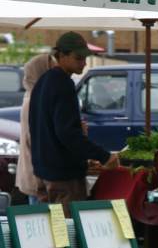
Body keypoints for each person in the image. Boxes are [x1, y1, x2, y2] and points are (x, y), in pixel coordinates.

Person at [29, 31, 118, 217]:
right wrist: (103, 156)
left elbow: (44, 128)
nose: (84, 63)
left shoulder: (43, 81)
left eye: (85, 58)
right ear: (61, 55)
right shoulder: (63, 84)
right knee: (67, 235)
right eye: (78, 58)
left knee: (52, 235)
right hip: (63, 177)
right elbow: (67, 133)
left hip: (43, 172)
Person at [15, 53, 54, 205]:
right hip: (38, 181)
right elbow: (38, 143)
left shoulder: (31, 96)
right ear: (42, 73)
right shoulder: (36, 101)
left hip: (35, 178)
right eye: (50, 70)